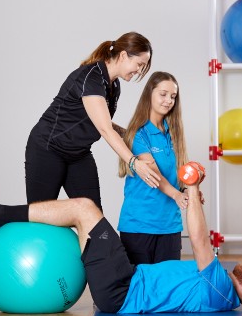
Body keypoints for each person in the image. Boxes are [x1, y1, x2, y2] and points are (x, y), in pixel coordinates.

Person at [0, 163, 242, 313]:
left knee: (85, 210)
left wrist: (194, 186)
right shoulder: (220, 289)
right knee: (85, 215)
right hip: (126, 279)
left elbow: (199, 240)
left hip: (122, 289)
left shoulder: (221, 290)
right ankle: (2, 214)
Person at [24, 31, 160, 217]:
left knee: (94, 217)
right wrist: (135, 163)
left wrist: (128, 132)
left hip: (78, 153)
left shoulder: (113, 85)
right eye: (139, 65)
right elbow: (104, 129)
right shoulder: (91, 76)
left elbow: (99, 120)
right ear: (122, 56)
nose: (139, 71)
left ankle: (95, 246)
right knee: (40, 215)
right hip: (48, 148)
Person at [117, 71, 189, 265]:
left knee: (168, 288)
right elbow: (153, 174)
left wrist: (187, 190)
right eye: (163, 94)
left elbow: (176, 175)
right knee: (142, 289)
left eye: (173, 96)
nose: (168, 100)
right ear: (150, 93)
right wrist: (176, 195)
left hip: (170, 226)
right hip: (139, 226)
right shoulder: (138, 133)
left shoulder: (174, 133)